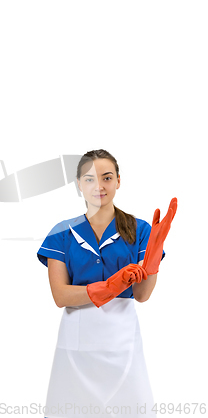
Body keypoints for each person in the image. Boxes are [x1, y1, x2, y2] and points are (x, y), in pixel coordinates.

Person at [37, 149, 177, 418]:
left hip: (122, 344)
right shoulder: (61, 233)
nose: (98, 186)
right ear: (78, 184)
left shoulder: (140, 230)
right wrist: (110, 286)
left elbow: (142, 295)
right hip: (75, 349)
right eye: (89, 179)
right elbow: (60, 296)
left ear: (118, 181)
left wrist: (152, 260)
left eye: (106, 177)